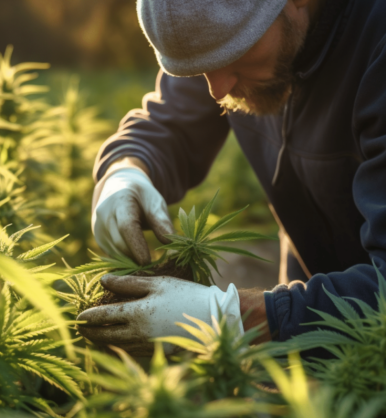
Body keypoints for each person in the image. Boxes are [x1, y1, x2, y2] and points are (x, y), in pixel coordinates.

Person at [77, 0, 386, 357]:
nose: (217, 90)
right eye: (200, 68)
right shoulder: (232, 45)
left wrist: (237, 317)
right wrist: (125, 170)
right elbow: (172, 123)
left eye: (234, 53)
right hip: (307, 314)